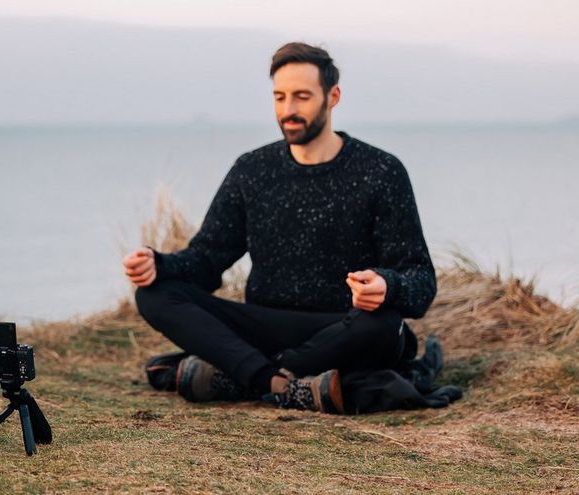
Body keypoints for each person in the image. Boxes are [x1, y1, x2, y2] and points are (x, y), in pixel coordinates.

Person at [122, 42, 439, 413]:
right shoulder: (252, 170)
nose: (288, 110)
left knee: (385, 326)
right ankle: (282, 381)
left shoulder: (381, 172)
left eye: (302, 97)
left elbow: (421, 282)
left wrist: (388, 285)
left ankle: (242, 374)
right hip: (263, 324)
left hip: (344, 329)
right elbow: (207, 259)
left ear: (333, 97)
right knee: (154, 295)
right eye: (279, 97)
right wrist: (159, 265)